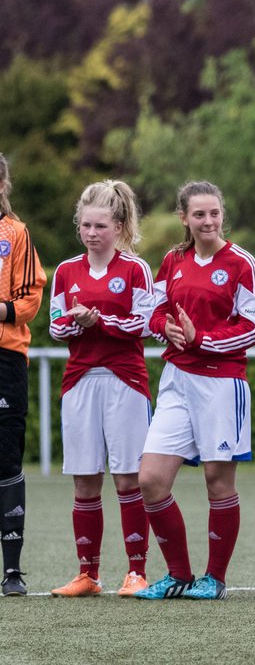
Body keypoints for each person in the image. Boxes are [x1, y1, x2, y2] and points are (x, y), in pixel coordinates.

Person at [134, 181, 255, 601]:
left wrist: (200, 338)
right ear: (184, 218)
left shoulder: (242, 263)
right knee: (151, 479)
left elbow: (253, 327)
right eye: (199, 215)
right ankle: (178, 575)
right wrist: (164, 328)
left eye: (214, 213)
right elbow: (152, 309)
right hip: (176, 382)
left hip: (222, 383)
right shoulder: (173, 260)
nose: (208, 221)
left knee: (217, 481)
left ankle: (215, 579)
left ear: (222, 214)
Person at [48, 180, 154, 597]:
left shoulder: (135, 269)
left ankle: (136, 572)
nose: (92, 233)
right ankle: (87, 574)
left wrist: (100, 322)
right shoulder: (65, 271)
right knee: (85, 480)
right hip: (79, 382)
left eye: (101, 226)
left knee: (128, 478)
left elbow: (143, 323)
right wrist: (76, 322)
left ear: (120, 226)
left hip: (125, 380)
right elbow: (56, 327)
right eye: (86, 226)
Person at [0, 154, 46, 596]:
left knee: (7, 460)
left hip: (5, 358)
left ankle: (12, 573)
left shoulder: (15, 233)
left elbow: (30, 296)